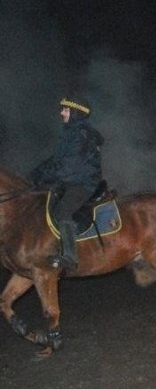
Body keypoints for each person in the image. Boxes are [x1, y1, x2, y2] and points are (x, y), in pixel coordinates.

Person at [30, 97, 104, 271]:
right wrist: (38, 171)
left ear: (76, 113)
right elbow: (57, 160)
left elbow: (68, 167)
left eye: (65, 110)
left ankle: (70, 256)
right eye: (62, 109)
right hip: (71, 180)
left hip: (83, 183)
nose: (61, 113)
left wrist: (47, 177)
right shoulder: (71, 132)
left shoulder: (80, 134)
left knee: (63, 209)